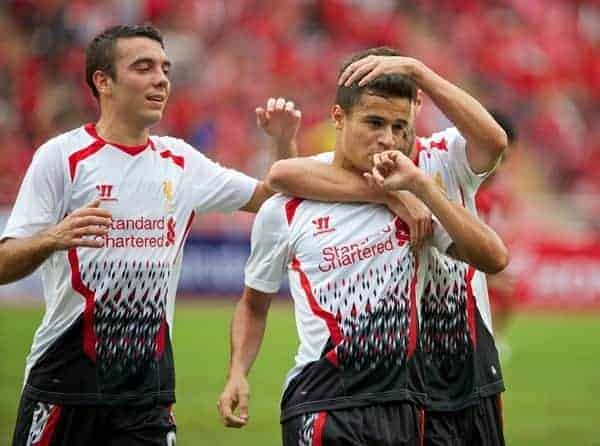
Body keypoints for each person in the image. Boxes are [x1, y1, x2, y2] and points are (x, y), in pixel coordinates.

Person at [1, 24, 301, 446]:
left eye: (165, 68)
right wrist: (53, 237)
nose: (161, 78)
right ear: (103, 82)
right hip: (64, 386)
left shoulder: (179, 161)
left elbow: (272, 196)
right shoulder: (62, 158)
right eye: (143, 67)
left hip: (148, 397)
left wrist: (283, 143)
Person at [217, 50, 508, 445]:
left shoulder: (444, 155)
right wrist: (389, 196)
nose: (388, 138)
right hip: (353, 392)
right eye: (374, 122)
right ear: (339, 117)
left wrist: (417, 71)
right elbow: (282, 175)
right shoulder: (317, 185)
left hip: (461, 373)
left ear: (419, 102)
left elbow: (494, 147)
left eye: (398, 125)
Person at [476, 110, 519, 359]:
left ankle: (494, 337)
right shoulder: (450, 184)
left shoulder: (490, 195)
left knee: (508, 288)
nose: (498, 167)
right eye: (499, 158)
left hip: (479, 259)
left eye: (504, 160)